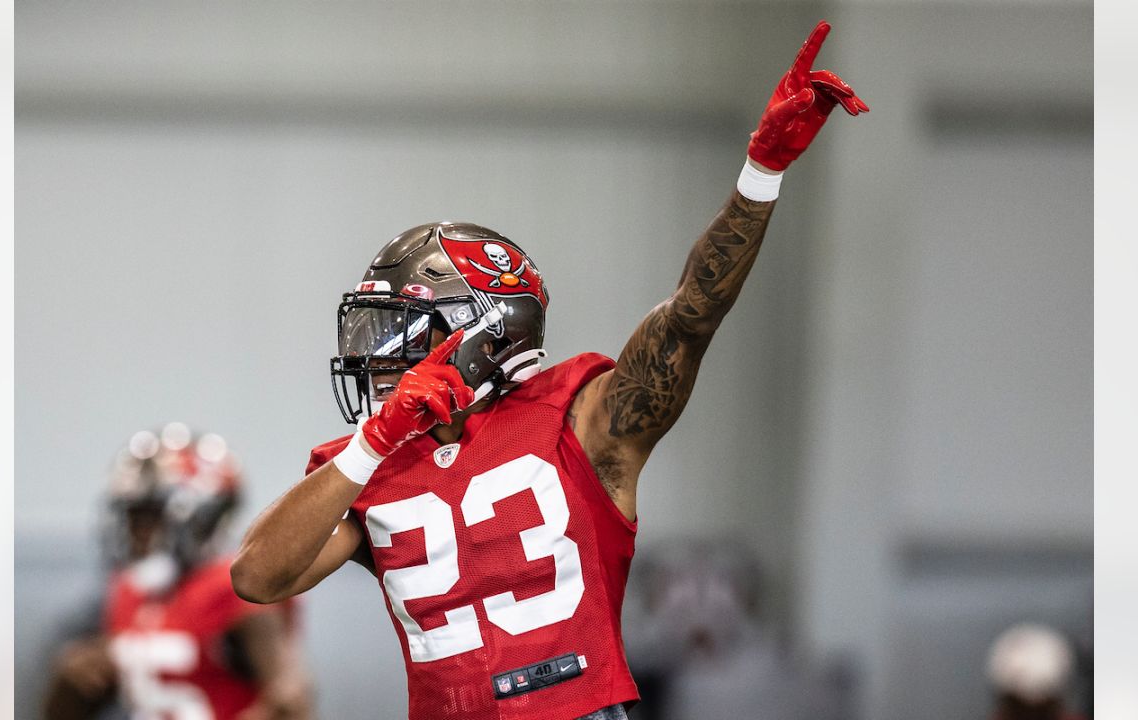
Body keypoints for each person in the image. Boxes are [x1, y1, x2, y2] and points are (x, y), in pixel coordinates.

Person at [232, 20, 867, 720]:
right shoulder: (368, 460)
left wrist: (762, 173)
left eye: (402, 328)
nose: (379, 355)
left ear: (482, 330)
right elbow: (257, 577)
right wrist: (375, 441)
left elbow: (692, 315)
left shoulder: (583, 416)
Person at [44, 423, 313, 720]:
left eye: (147, 518)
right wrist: (71, 680)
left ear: (198, 517)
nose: (135, 533)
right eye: (131, 517)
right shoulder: (127, 591)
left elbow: (291, 700)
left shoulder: (233, 587)